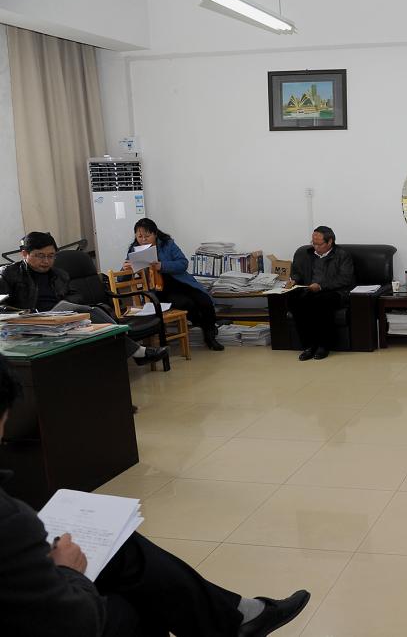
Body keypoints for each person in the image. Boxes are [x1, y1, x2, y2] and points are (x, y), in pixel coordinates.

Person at [0, 353, 310, 636]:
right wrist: (69, 571)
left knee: (122, 548)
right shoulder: (11, 521)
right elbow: (75, 623)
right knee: (142, 604)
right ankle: (236, 621)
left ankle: (237, 617)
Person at [0, 231, 167, 366]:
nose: (46, 261)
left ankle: (129, 354)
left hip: (61, 320)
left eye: (51, 256)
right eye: (40, 256)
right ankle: (138, 351)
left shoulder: (60, 274)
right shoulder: (9, 274)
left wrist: (64, 306)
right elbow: (2, 306)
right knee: (93, 313)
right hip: (30, 323)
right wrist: (27, 314)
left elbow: (76, 296)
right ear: (24, 254)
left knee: (96, 316)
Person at [125, 218, 223, 351]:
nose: (143, 240)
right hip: (159, 291)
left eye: (147, 236)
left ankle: (210, 336)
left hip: (180, 282)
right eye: (140, 236)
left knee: (204, 300)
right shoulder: (134, 251)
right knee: (186, 303)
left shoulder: (167, 244)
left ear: (155, 234)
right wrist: (125, 269)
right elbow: (122, 279)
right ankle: (207, 328)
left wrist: (162, 266)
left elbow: (183, 263)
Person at [285, 225, 354, 361]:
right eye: (313, 243)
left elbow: (345, 278)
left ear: (330, 242)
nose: (315, 247)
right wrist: (294, 280)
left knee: (320, 302)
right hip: (309, 290)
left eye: (319, 244)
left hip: (334, 292)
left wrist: (321, 286)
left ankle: (324, 345)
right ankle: (309, 346)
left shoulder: (342, 255)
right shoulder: (305, 254)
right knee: (294, 300)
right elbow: (297, 273)